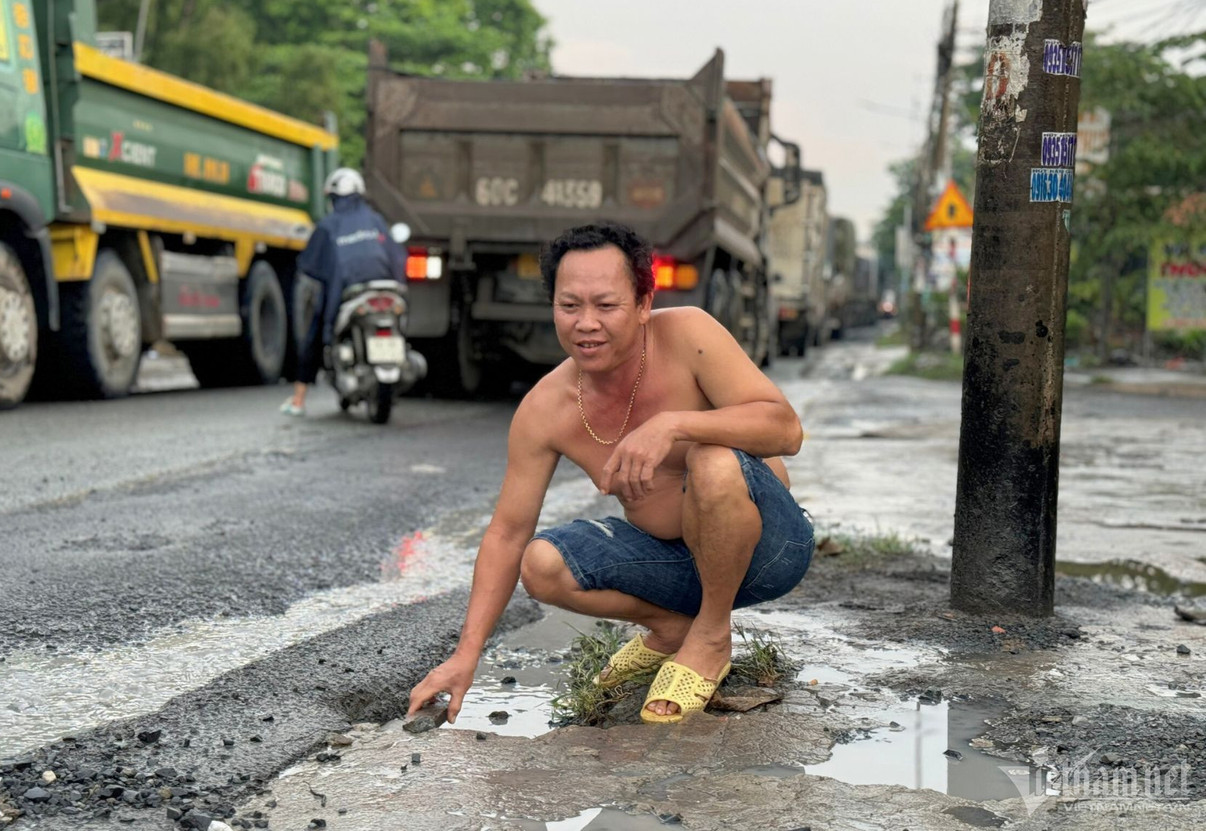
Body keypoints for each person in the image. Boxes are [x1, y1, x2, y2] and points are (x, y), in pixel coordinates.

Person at [406, 222, 813, 723]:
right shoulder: (546, 408)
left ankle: (711, 636)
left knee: (709, 457)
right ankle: (673, 629)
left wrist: (675, 426)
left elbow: (787, 431)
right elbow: (507, 532)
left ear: (643, 303)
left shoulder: (689, 334)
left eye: (606, 305)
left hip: (767, 551)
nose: (586, 323)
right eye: (569, 306)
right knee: (541, 563)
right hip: (672, 565)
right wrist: (465, 656)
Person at [281, 168, 407, 416]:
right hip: (386, 289)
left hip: (348, 292)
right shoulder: (375, 220)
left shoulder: (328, 225)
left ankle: (298, 399)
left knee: (316, 329)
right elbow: (396, 257)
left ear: (333, 197)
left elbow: (310, 265)